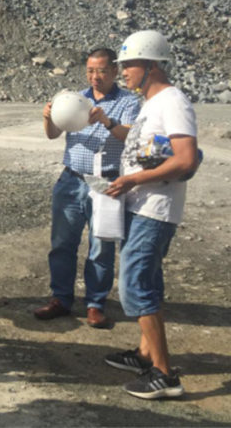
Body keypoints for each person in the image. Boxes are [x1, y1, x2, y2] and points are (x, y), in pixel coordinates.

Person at [103, 30, 198, 399]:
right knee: (148, 282)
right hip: (140, 206)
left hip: (154, 211)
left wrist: (134, 179)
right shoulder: (151, 103)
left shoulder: (173, 102)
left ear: (152, 65)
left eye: (129, 64)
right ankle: (145, 355)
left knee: (136, 285)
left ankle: (164, 374)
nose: (123, 71)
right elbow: (152, 149)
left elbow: (186, 159)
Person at [34, 49, 140, 328]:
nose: (95, 76)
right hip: (72, 179)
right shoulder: (74, 99)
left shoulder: (128, 101)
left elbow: (131, 136)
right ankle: (61, 299)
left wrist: (107, 121)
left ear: (114, 71)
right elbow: (53, 134)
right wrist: (47, 116)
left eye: (101, 71)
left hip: (105, 181)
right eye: (90, 71)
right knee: (62, 244)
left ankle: (95, 304)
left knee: (101, 246)